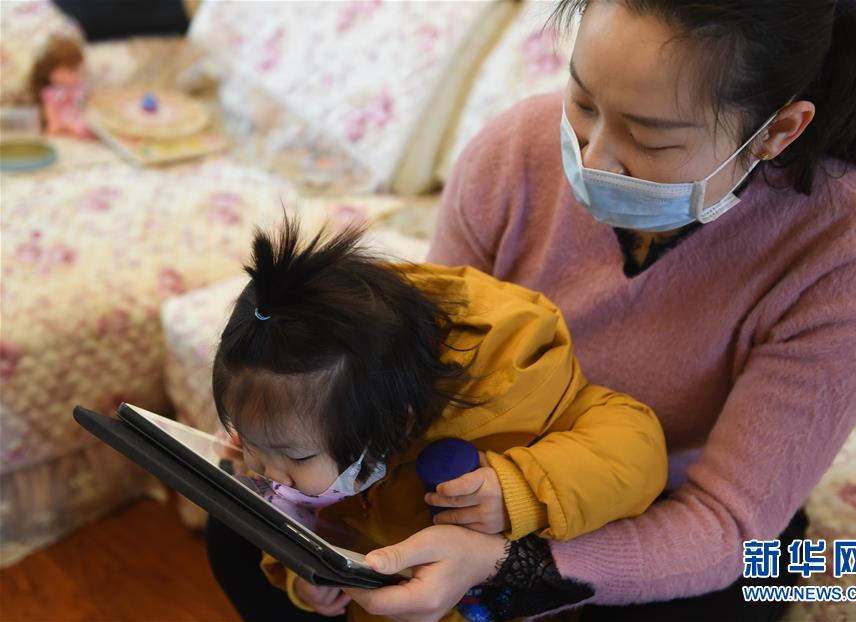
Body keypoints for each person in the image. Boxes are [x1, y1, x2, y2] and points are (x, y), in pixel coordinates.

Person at [336, 0, 856, 621]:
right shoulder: (515, 151)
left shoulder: (852, 251)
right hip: (496, 471)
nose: (593, 158)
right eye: (582, 103)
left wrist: (511, 565)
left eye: (651, 137)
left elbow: (731, 524)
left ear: (777, 131)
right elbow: (421, 365)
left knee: (793, 579)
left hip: (696, 517)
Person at [207, 217, 667, 620]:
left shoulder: (516, 388)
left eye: (296, 456)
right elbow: (290, 519)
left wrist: (522, 489)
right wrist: (300, 577)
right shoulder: (308, 434)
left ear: (395, 424)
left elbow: (637, 447)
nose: (269, 470)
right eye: (249, 441)